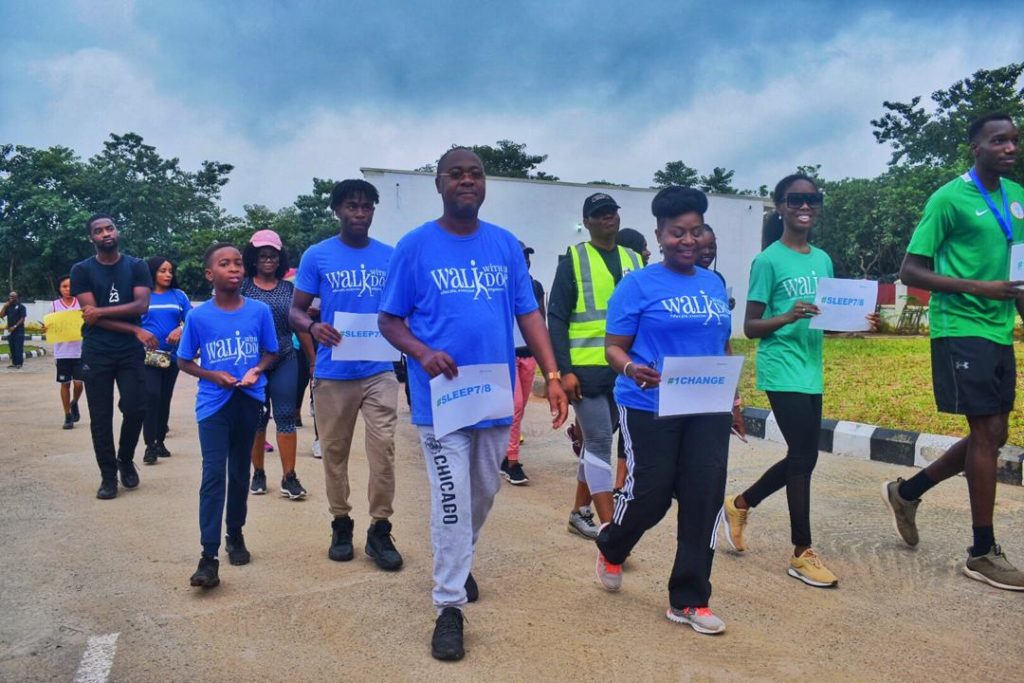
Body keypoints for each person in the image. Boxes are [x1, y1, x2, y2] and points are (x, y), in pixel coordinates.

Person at [378, 147, 568, 661]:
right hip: (440, 401)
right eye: (456, 174)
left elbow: (529, 317)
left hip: (491, 396)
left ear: (485, 185)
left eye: (476, 174)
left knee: (482, 492)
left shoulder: (505, 245)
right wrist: (422, 352)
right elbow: (389, 321)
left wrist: (552, 374)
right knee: (450, 500)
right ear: (438, 184)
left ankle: (459, 560)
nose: (467, 181)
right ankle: (448, 607)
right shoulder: (415, 247)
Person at [882, 112, 1024, 591]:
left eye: (1014, 140)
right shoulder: (948, 198)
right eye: (998, 140)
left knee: (996, 431)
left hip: (999, 329)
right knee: (985, 430)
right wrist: (978, 287)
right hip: (959, 327)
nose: (1009, 147)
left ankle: (908, 492)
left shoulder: (1020, 199)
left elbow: (1018, 276)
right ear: (975, 148)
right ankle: (982, 551)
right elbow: (910, 271)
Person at [722, 174, 877, 588]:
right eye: (795, 199)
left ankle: (740, 503)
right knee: (804, 455)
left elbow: (825, 320)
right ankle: (801, 552)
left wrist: (857, 323)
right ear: (781, 206)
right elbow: (751, 326)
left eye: (812, 199)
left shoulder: (822, 259)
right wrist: (787, 316)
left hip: (811, 366)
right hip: (781, 365)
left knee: (803, 455)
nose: (805, 206)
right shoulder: (768, 260)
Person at [596, 186, 737, 634]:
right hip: (649, 405)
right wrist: (632, 367)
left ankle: (690, 599)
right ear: (659, 234)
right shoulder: (636, 284)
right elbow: (612, 349)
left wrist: (731, 396)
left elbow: (720, 342)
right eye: (678, 233)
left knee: (704, 495)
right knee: (650, 497)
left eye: (696, 232)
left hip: (707, 405)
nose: (689, 241)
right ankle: (613, 544)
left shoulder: (714, 283)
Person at [290, 179, 404, 571]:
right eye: (351, 206)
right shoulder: (317, 256)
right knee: (335, 453)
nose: (359, 213)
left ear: (374, 210)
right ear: (337, 210)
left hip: (379, 370)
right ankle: (341, 522)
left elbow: (405, 306)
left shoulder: (391, 256)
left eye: (366, 206)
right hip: (335, 370)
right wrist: (312, 327)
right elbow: (295, 309)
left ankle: (380, 528)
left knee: (383, 449)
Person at [178, 243, 278, 588]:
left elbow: (271, 351)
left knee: (239, 473)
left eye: (238, 263)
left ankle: (235, 534)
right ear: (210, 274)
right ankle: (209, 555)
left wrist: (257, 370)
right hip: (213, 405)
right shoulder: (199, 316)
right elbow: (184, 359)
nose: (234, 268)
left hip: (248, 399)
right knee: (213, 476)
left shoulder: (259, 311)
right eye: (224, 263)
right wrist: (212, 375)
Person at [548, 192, 642, 540]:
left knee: (596, 443)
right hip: (585, 370)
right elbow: (556, 318)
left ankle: (579, 512)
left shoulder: (635, 259)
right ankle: (609, 528)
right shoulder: (574, 259)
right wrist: (562, 371)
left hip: (624, 368)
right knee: (601, 439)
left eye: (611, 212)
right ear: (586, 222)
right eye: (599, 214)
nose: (607, 218)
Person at [70, 214, 155, 500]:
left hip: (129, 351)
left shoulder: (136, 266)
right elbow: (90, 320)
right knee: (100, 416)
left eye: (109, 228)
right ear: (91, 238)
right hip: (97, 350)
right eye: (98, 231)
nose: (105, 233)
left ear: (117, 232)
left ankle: (125, 458)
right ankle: (108, 476)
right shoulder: (81, 270)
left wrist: (102, 312)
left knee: (136, 407)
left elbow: (141, 305)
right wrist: (132, 327)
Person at [241, 230, 308, 501]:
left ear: (279, 259)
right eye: (262, 256)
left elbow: (299, 324)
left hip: (284, 357)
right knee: (258, 418)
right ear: (254, 259)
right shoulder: (243, 288)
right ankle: (258, 472)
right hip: (253, 361)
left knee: (285, 416)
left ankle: (289, 476)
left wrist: (313, 360)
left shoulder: (288, 289)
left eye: (273, 256)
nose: (268, 260)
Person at [501, 240, 546, 486]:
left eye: (527, 257)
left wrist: (545, 358)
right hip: (508, 355)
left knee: (519, 408)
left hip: (528, 354)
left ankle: (502, 454)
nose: (525, 261)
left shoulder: (535, 285)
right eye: (520, 257)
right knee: (515, 405)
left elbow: (540, 318)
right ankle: (512, 461)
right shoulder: (500, 287)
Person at [140, 256, 191, 464]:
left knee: (164, 398)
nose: (168, 274)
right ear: (152, 272)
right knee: (151, 396)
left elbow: (192, 319)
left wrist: (180, 329)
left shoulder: (178, 296)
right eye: (162, 270)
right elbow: (132, 321)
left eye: (170, 271)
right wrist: (142, 333)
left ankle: (160, 441)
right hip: (147, 356)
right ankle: (149, 445)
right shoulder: (142, 295)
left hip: (171, 356)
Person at [50, 277, 84, 428]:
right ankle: (67, 416)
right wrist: (46, 329)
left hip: (80, 351)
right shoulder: (54, 306)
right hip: (62, 352)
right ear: (59, 288)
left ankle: (75, 402)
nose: (67, 289)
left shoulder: (81, 303)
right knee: (65, 384)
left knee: (78, 384)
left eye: (70, 286)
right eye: (64, 286)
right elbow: (50, 326)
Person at [2, 291, 27, 369]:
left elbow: (22, 318)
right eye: (10, 296)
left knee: (18, 347)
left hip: (19, 330)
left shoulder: (21, 307)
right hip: (10, 330)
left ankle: (19, 363)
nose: (11, 298)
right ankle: (14, 363)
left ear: (17, 298)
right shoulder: (8, 306)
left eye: (13, 296)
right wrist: (4, 306)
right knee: (12, 347)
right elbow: (1, 315)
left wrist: (15, 326)